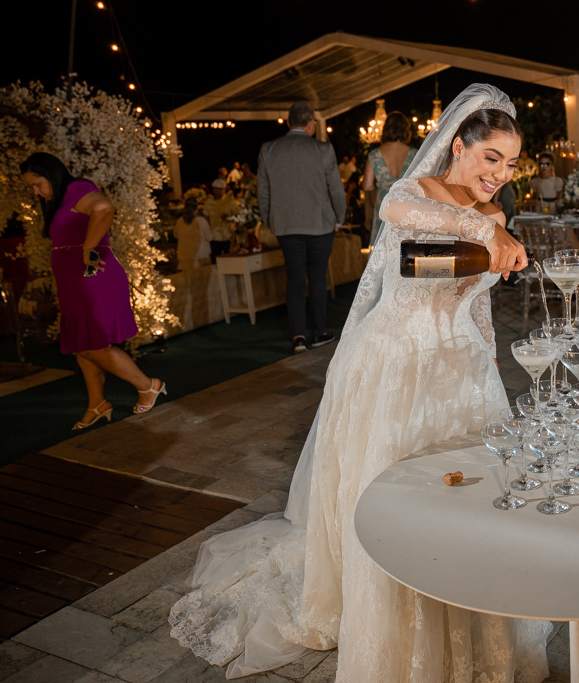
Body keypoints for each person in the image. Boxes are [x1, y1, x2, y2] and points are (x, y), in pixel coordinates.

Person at [169, 84, 545, 683]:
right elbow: (407, 236)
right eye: (490, 158)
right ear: (457, 146)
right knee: (389, 497)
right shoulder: (411, 193)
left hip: (461, 370)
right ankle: (382, 617)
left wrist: (490, 357)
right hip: (395, 365)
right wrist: (487, 233)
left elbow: (475, 301)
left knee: (464, 500)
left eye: (510, 164)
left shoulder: (494, 213)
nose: (499, 174)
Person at [18, 153, 167, 430]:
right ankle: (97, 404)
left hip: (92, 278)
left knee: (92, 345)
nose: (36, 192)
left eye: (38, 184)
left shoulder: (77, 189)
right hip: (73, 283)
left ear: (51, 174)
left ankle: (148, 385)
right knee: (81, 343)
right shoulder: (61, 200)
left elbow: (105, 208)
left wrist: (88, 248)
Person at [258, 102, 346, 354]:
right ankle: (317, 333)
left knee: (295, 279)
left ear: (288, 123)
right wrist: (339, 218)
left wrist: (269, 220)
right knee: (317, 278)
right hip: (320, 224)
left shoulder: (268, 149)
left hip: (286, 225)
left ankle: (298, 337)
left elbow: (263, 191)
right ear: (310, 124)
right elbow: (336, 189)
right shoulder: (323, 149)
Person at [362, 112, 418, 239]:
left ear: (386, 129)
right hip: (407, 208)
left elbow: (367, 185)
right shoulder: (415, 154)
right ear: (406, 130)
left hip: (384, 208)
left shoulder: (375, 154)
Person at [202, 179, 240, 260]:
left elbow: (239, 217)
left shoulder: (230, 202)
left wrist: (229, 218)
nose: (218, 191)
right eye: (216, 189)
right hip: (214, 236)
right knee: (215, 260)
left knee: (230, 260)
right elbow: (206, 218)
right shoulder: (209, 202)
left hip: (228, 236)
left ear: (224, 189)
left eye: (220, 189)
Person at [172, 196, 211, 271]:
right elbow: (209, 237)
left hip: (184, 257)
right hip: (201, 256)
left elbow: (176, 235)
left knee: (188, 278)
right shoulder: (201, 221)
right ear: (196, 209)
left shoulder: (179, 221)